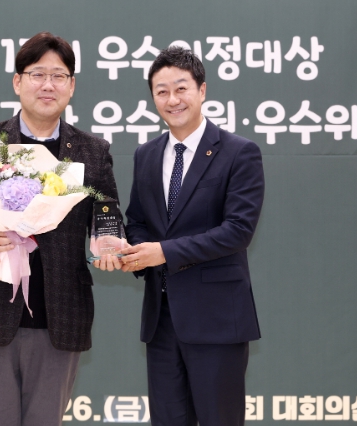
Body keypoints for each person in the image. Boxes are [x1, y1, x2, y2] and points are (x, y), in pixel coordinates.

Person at [0, 32, 120, 426]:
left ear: (72, 86)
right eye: (37, 74)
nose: (48, 85)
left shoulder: (93, 151)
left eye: (59, 76)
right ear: (18, 82)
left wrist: (108, 239)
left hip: (60, 314)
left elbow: (107, 211)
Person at [119, 46, 265, 426]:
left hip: (216, 319)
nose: (173, 99)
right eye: (162, 91)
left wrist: (163, 252)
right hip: (161, 320)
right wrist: (133, 252)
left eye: (181, 88)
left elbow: (237, 230)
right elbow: (137, 220)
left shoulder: (239, 152)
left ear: (202, 90)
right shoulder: (146, 154)